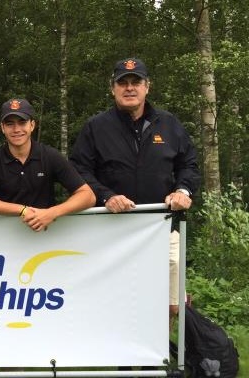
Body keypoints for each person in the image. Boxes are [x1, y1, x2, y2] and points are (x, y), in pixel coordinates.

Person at [69, 57, 200, 322]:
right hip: (114, 231)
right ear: (113, 88)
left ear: (147, 86)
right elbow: (78, 171)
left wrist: (183, 191)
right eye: (123, 83)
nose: (129, 88)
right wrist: (105, 196)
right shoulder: (96, 127)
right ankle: (125, 364)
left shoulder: (169, 124)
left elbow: (189, 164)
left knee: (172, 306)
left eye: (136, 82)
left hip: (162, 226)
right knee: (121, 303)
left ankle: (160, 361)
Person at [0, 98, 95, 231]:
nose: (16, 129)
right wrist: (22, 210)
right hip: (3, 238)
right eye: (10, 124)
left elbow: (88, 196)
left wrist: (52, 213)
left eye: (22, 122)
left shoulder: (49, 156)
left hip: (44, 236)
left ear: (32, 125)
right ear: (2, 128)